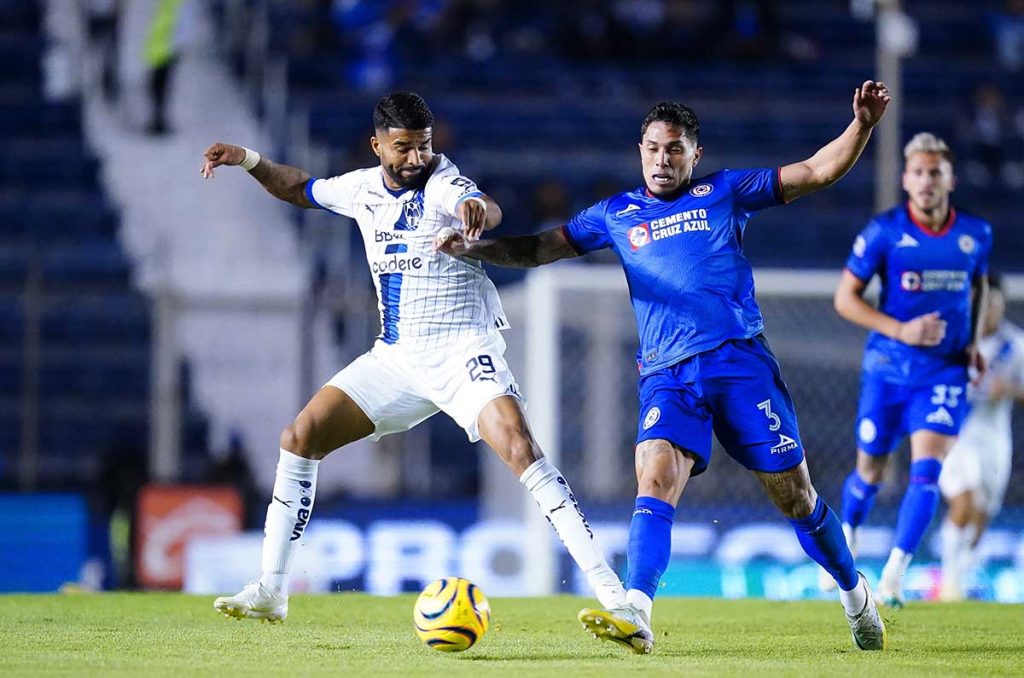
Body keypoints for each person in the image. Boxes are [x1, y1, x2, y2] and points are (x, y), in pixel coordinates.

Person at [438, 81, 892, 653]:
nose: (662, 159)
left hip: (739, 364)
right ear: (640, 150)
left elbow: (815, 171)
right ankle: (637, 610)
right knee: (654, 476)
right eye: (653, 148)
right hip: (667, 374)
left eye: (674, 149)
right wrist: (475, 249)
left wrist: (863, 127)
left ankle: (855, 594)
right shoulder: (615, 215)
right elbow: (538, 250)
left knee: (795, 497)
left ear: (694, 155)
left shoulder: (725, 192)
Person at [199, 92, 625, 623]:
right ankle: (271, 590)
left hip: (464, 349)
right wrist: (247, 159)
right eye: (403, 148)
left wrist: (477, 211)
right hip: (398, 359)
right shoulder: (359, 189)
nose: (416, 158)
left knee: (519, 447)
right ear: (377, 145)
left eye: (423, 146)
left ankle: (615, 595)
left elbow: (483, 207)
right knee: (300, 437)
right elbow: (298, 187)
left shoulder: (445, 182)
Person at [833, 132, 991, 608]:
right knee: (870, 472)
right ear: (906, 179)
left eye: (935, 172)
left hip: (943, 373)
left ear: (950, 179)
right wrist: (901, 331)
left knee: (927, 472)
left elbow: (978, 288)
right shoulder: (884, 232)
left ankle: (894, 576)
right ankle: (848, 541)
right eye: (918, 172)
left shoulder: (976, 235)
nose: (926, 181)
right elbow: (845, 300)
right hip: (887, 369)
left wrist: (974, 342)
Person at [938, 274, 1023, 600]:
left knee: (985, 509)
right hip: (954, 435)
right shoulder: (953, 341)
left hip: (994, 437)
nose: (988, 311)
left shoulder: (1014, 345)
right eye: (983, 304)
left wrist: (1011, 390)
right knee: (965, 499)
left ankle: (962, 571)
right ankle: (949, 580)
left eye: (994, 304)